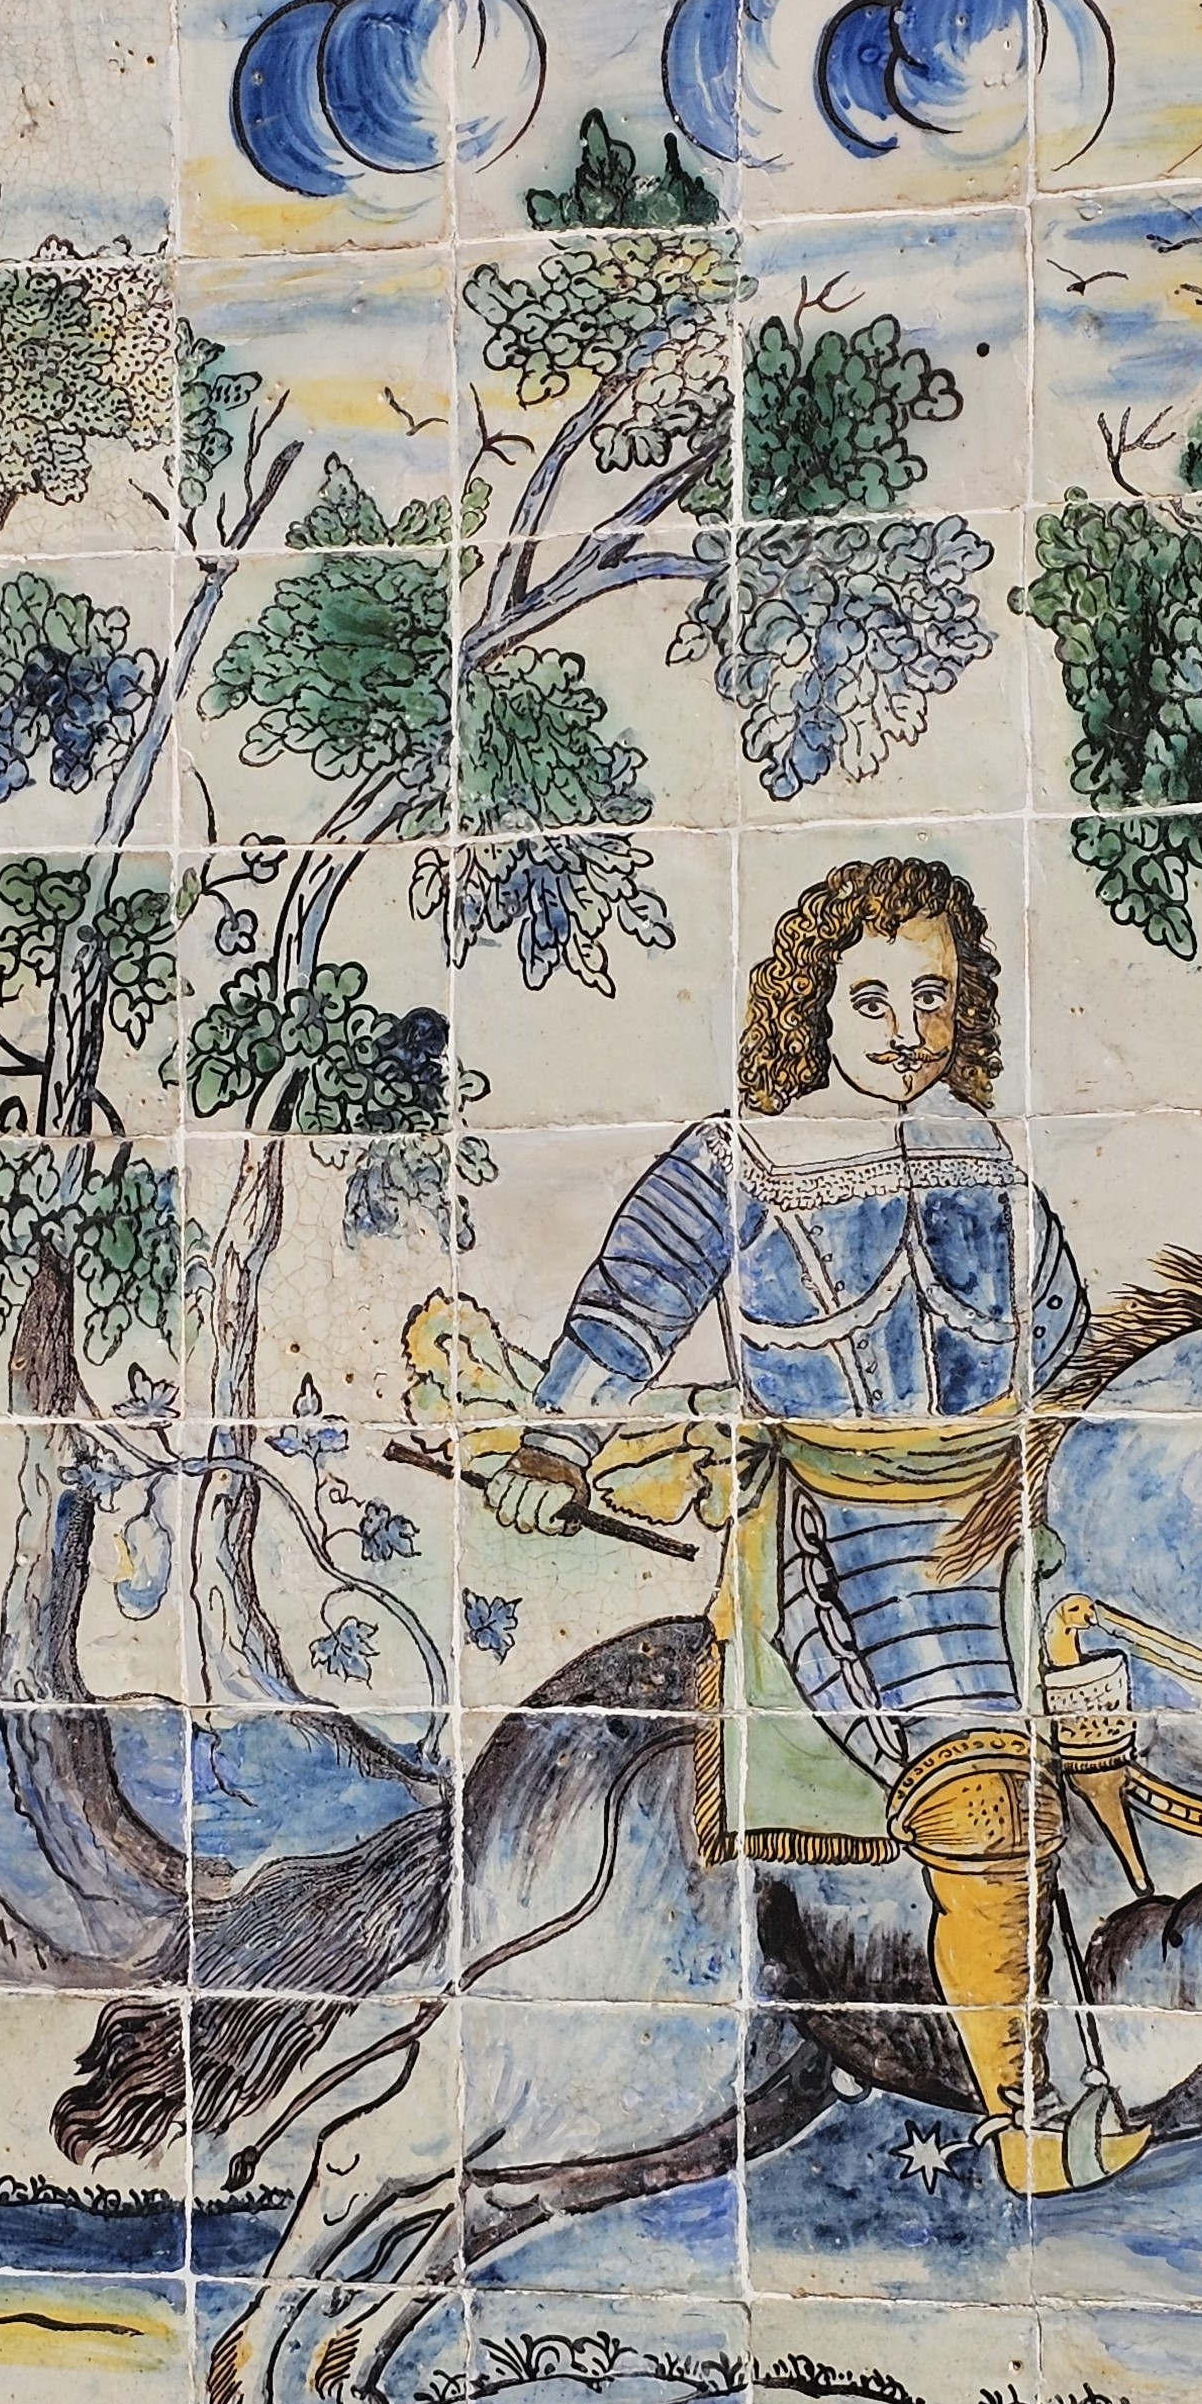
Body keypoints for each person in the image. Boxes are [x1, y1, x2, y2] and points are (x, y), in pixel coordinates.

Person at [483, 855, 1087, 2123]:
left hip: (1017, 1505)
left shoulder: (984, 1157)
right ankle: (1025, 2108)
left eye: (932, 997)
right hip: (852, 1528)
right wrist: (555, 1447)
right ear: (808, 1005)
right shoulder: (740, 1160)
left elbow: (1066, 1333)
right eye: (870, 1000)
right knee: (980, 1791)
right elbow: (630, 1306)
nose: (905, 1031)